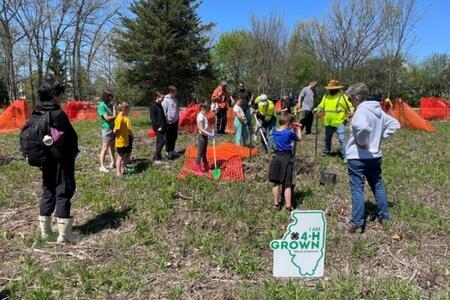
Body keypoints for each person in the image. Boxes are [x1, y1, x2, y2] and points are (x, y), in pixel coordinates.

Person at [339, 83, 400, 233]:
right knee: (377, 185)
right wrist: (378, 139)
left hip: (358, 157)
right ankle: (384, 216)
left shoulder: (360, 112)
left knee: (357, 189)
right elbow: (394, 124)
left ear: (357, 98)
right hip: (374, 157)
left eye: (351, 99)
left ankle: (357, 223)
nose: (350, 102)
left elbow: (363, 128)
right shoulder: (377, 111)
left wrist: (363, 142)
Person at [36, 78, 80, 243]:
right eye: (60, 93)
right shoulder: (58, 114)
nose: (62, 97)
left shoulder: (37, 112)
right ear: (54, 94)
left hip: (45, 160)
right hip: (61, 160)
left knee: (48, 191)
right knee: (63, 191)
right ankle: (64, 236)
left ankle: (45, 233)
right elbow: (67, 137)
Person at [269, 114, 302, 211]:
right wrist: (298, 128)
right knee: (287, 184)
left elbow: (283, 128)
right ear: (288, 124)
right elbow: (299, 138)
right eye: (291, 124)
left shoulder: (275, 131)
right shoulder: (289, 133)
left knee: (276, 183)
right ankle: (288, 206)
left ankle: (276, 204)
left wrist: (291, 125)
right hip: (287, 158)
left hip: (277, 158)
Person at [315, 79, 354, 159]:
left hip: (340, 122)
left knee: (342, 139)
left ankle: (345, 156)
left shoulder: (343, 97)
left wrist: (349, 115)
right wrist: (317, 109)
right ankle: (326, 151)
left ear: (337, 88)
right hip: (328, 122)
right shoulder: (326, 96)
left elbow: (351, 107)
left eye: (332, 88)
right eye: (330, 88)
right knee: (327, 138)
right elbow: (321, 106)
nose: (330, 90)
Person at [98, 90, 116, 172]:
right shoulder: (102, 105)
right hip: (106, 129)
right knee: (105, 147)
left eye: (112, 96)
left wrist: (114, 110)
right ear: (106, 96)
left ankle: (113, 162)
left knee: (112, 146)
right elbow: (107, 118)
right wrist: (115, 115)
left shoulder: (110, 105)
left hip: (113, 128)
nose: (112, 98)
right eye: (110, 96)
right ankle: (102, 166)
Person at [195, 102, 215, 174]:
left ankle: (206, 167)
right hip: (202, 137)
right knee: (200, 153)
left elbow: (207, 127)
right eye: (207, 110)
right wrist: (209, 133)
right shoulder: (200, 117)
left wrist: (211, 131)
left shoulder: (204, 116)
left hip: (205, 136)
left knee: (204, 153)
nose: (208, 112)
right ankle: (198, 169)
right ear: (204, 109)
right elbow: (201, 129)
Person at [114, 102, 133, 177]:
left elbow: (128, 129)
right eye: (128, 110)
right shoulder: (119, 118)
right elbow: (115, 130)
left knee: (125, 155)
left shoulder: (124, 118)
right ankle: (118, 172)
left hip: (126, 140)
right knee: (120, 156)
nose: (129, 111)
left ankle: (122, 169)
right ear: (124, 109)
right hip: (120, 141)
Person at [162, 85, 180, 160]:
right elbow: (164, 112)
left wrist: (177, 117)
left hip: (175, 122)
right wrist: (165, 121)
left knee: (174, 137)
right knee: (168, 138)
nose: (176, 94)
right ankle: (168, 151)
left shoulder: (175, 99)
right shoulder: (165, 100)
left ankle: (172, 150)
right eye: (175, 92)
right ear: (171, 92)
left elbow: (176, 109)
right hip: (168, 123)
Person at [150, 91, 168, 164]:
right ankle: (156, 158)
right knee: (162, 141)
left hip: (163, 127)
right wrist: (158, 127)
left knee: (158, 142)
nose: (163, 99)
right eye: (162, 98)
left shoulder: (160, 105)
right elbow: (153, 118)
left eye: (163, 98)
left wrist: (165, 125)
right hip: (157, 128)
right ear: (157, 97)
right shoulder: (153, 106)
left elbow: (162, 116)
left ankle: (158, 156)